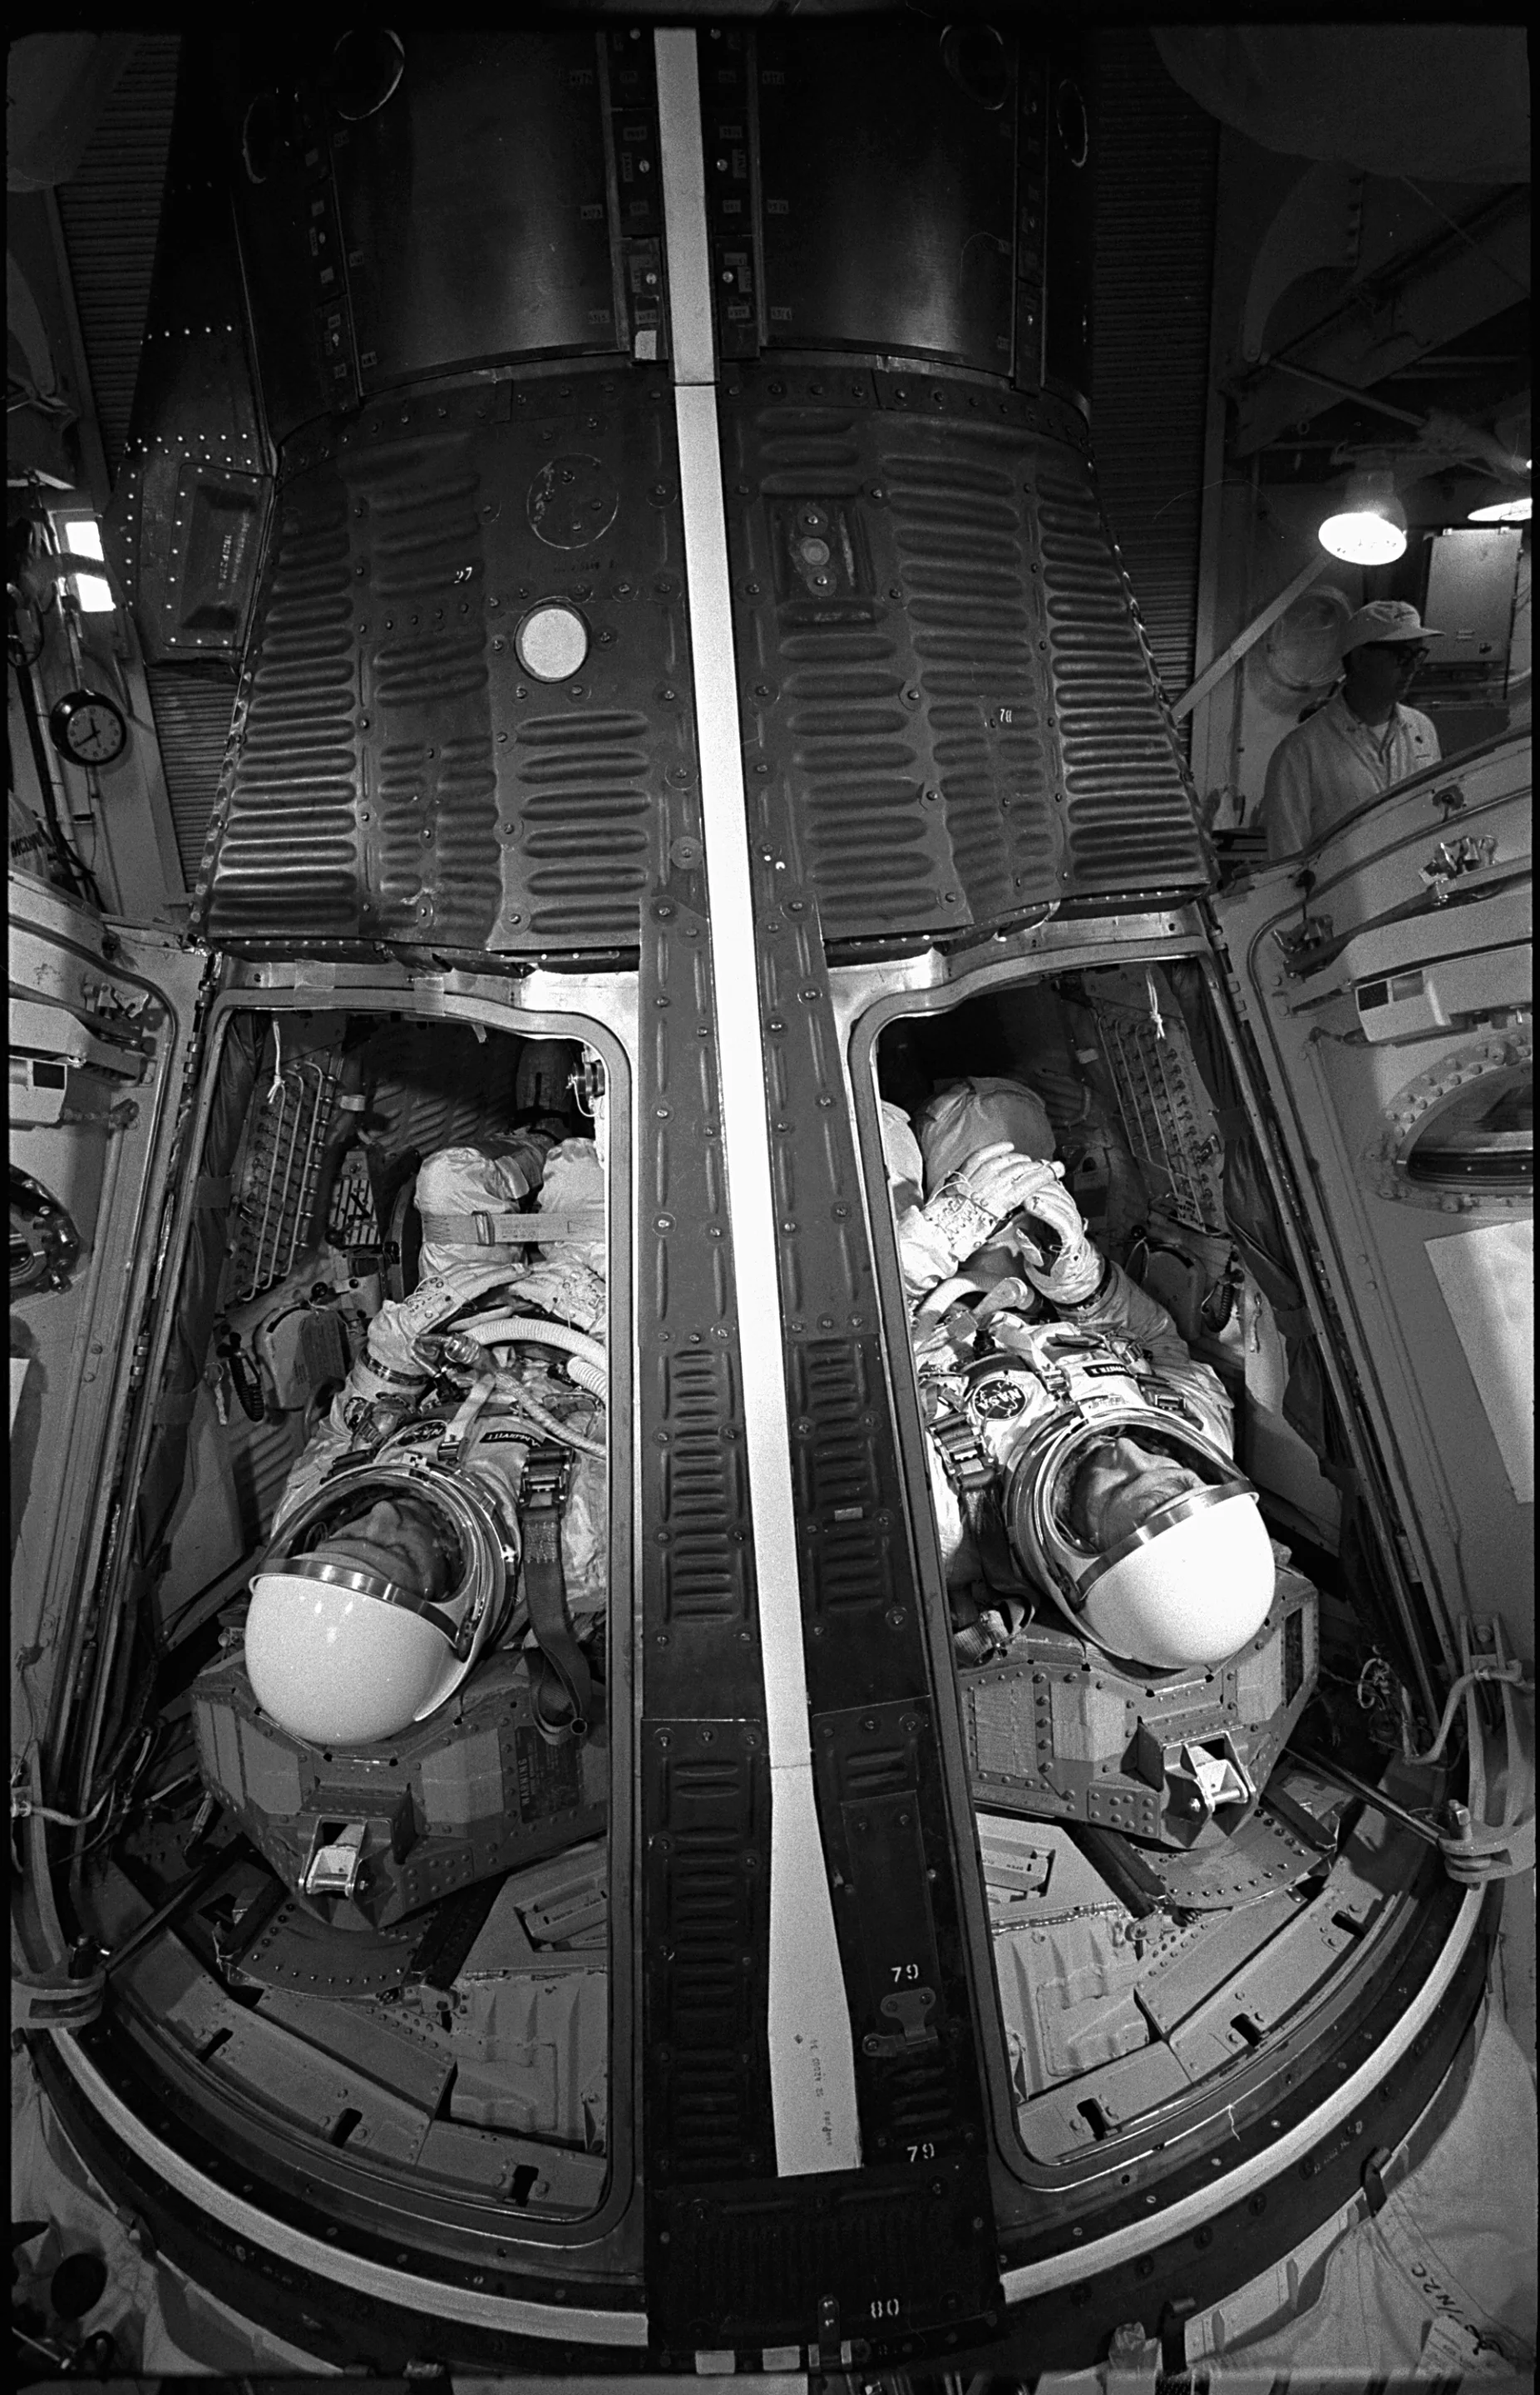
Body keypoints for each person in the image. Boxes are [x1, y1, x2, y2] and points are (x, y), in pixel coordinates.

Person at [243, 1109, 610, 1749]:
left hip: (458, 1323)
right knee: (587, 1176)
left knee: (447, 1180)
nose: (381, 1516)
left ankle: (539, 1136)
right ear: (453, 1608)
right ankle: (573, 1146)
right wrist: (587, 1317)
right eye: (396, 1551)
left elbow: (344, 1431)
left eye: (352, 1530)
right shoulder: (577, 1564)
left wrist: (395, 1353)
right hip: (586, 1328)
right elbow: (663, 1412)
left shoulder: (303, 1517)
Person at [882, 1079, 1276, 1672]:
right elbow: (1153, 1339)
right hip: (1019, 1280)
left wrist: (931, 1240)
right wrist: (1078, 1277)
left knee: (858, 1131)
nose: (1126, 1453)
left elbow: (830, 1360)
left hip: (898, 1304)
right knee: (994, 1111)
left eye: (1117, 1491)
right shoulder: (1195, 1426)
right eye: (1172, 1481)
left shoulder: (939, 1524)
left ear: (1073, 1549)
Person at [1260, 599, 1443, 862]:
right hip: (1341, 899)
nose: (1412, 668)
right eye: (1401, 656)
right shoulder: (1300, 752)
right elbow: (1285, 863)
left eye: (1418, 655)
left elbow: (1432, 817)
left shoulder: (1423, 731)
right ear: (1359, 657)